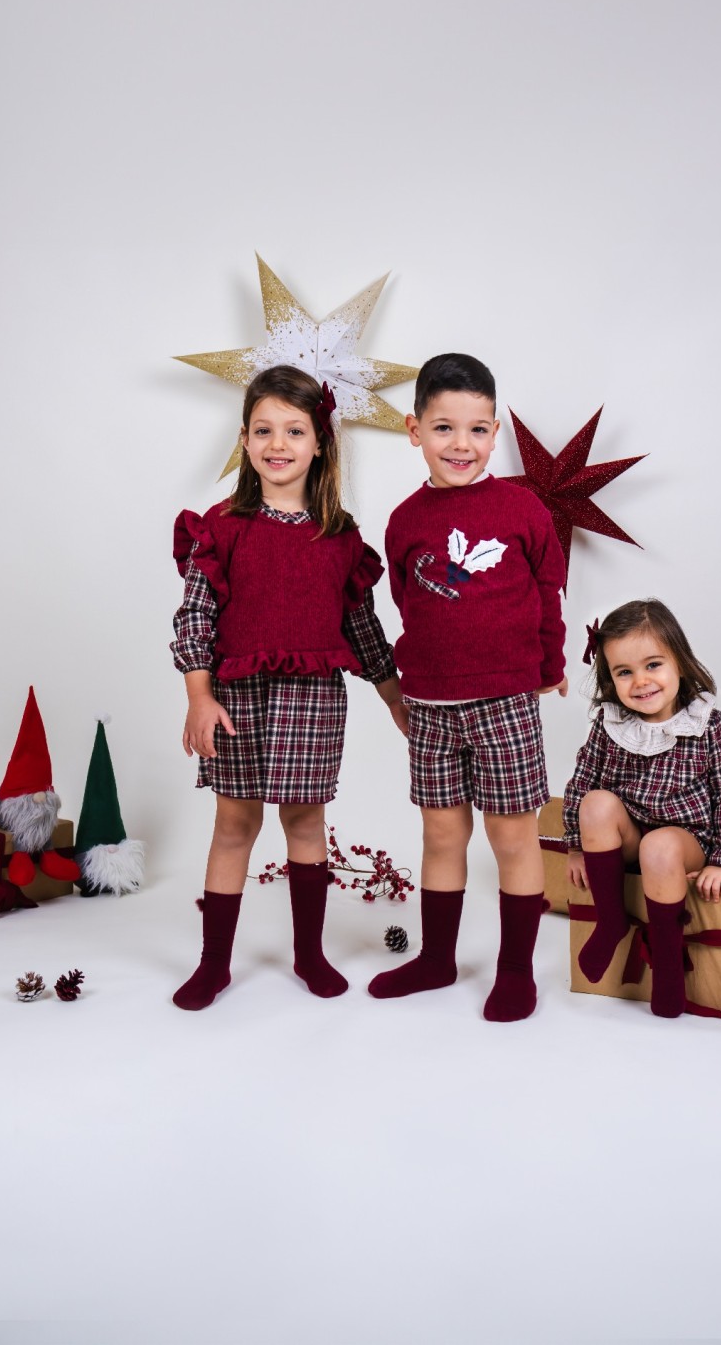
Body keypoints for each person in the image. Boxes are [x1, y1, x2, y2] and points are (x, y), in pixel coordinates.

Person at [170, 365, 407, 1010]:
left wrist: (392, 696)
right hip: (236, 699)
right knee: (234, 824)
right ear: (245, 440)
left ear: (320, 442)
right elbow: (195, 618)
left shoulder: (340, 536)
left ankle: (309, 954)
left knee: (305, 821)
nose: (278, 443)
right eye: (264, 430)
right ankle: (213, 964)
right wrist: (198, 697)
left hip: (313, 699)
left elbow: (361, 626)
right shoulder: (222, 527)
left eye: (294, 430)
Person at [367, 353, 567, 1022]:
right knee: (442, 835)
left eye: (478, 430)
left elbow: (548, 592)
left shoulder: (521, 509)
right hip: (429, 704)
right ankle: (437, 959)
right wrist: (412, 683)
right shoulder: (404, 521)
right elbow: (408, 603)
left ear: (495, 431)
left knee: (512, 839)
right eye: (444, 428)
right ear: (414, 430)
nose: (462, 444)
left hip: (505, 700)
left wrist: (549, 666)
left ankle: (515, 972)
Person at [564, 598, 721, 1017]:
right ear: (610, 679)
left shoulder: (708, 725)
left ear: (679, 663)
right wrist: (575, 848)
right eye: (624, 672)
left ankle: (667, 963)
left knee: (661, 844)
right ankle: (611, 921)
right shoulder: (610, 725)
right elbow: (582, 782)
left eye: (653, 665)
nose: (641, 682)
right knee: (595, 802)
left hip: (684, 843)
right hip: (630, 839)